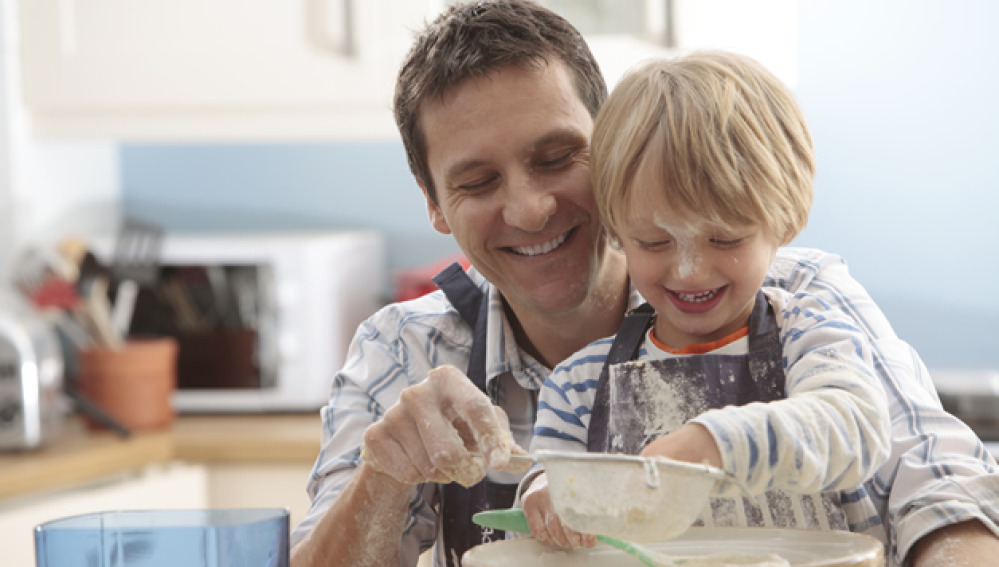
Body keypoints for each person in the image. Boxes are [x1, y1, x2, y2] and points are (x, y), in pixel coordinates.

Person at [288, 2, 999, 567]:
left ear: (613, 151)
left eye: (557, 156)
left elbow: (940, 493)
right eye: (477, 181)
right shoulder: (406, 351)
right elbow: (551, 474)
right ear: (433, 201)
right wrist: (387, 477)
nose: (530, 207)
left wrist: (703, 445)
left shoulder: (797, 301)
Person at [521, 51, 892, 547]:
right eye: (654, 243)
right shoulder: (578, 388)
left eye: (725, 240)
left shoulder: (809, 336)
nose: (690, 270)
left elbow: (854, 427)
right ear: (615, 233)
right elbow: (549, 481)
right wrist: (544, 494)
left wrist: (710, 445)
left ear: (785, 221)